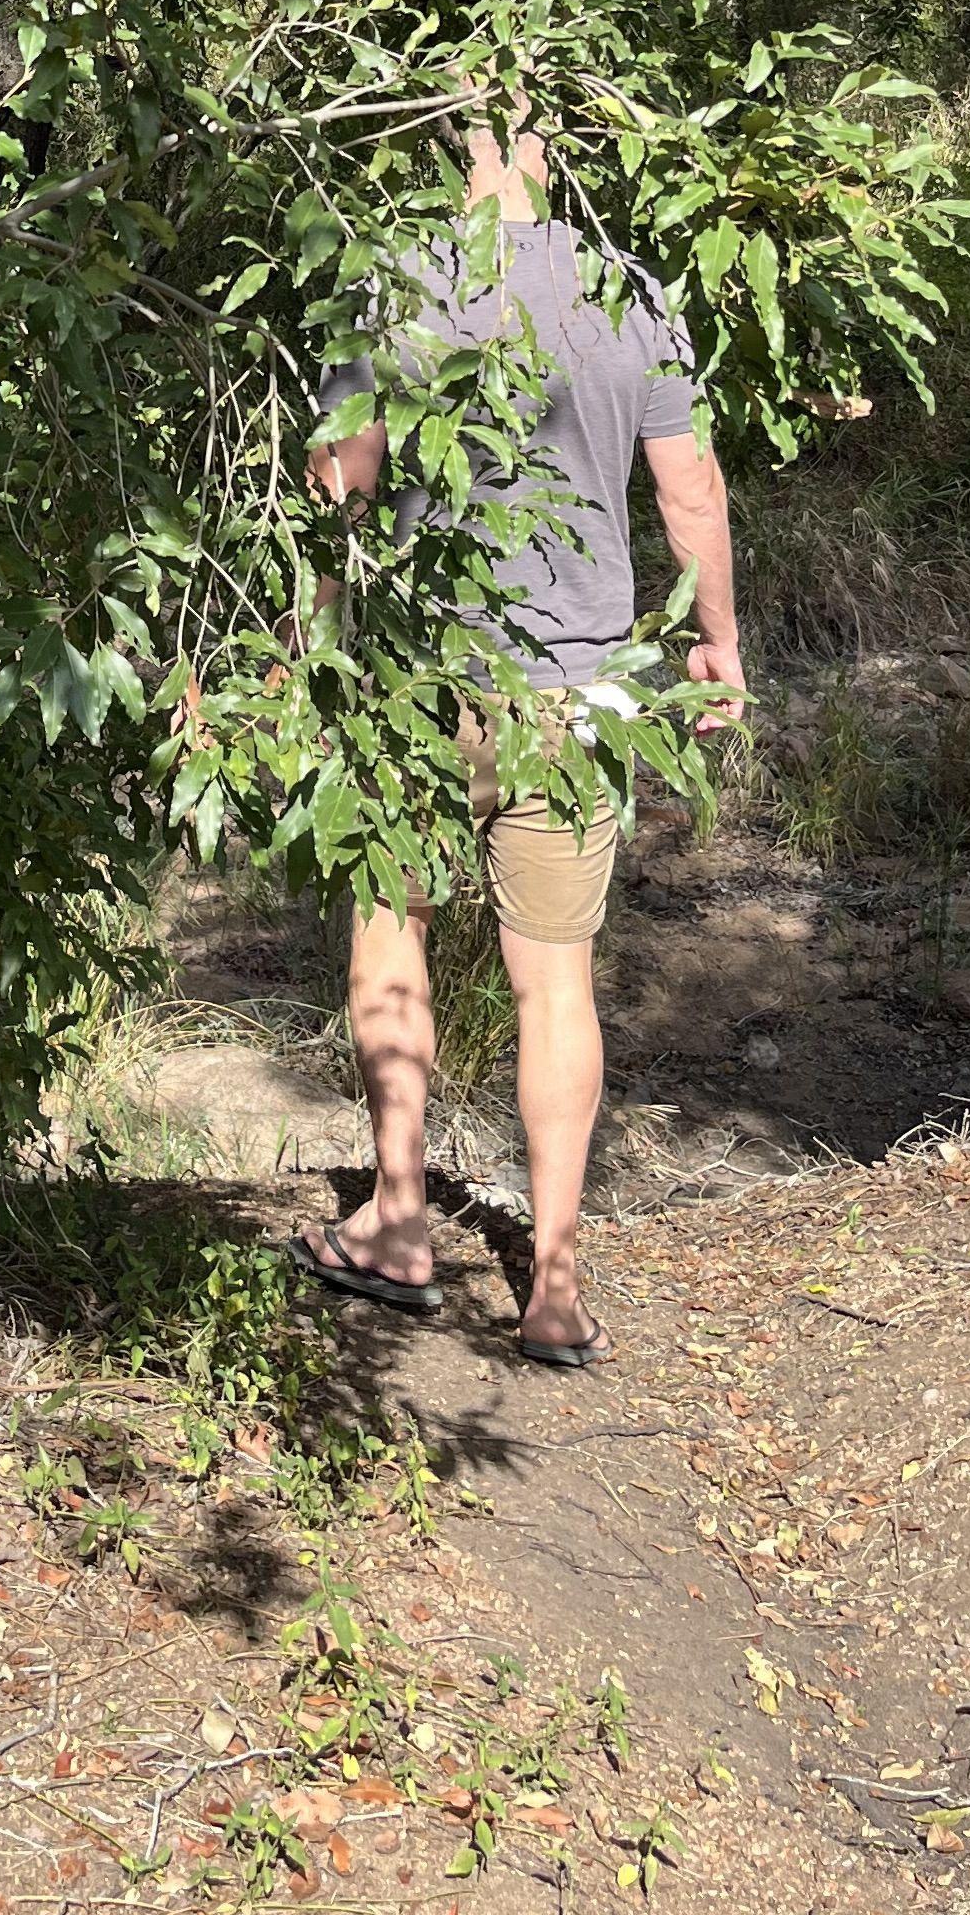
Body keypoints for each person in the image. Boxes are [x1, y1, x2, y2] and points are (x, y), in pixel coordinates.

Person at [289, 116, 743, 1366]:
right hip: (582, 695)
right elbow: (689, 490)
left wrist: (311, 653)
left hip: (421, 681)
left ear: (452, 143)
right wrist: (718, 644)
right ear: (559, 149)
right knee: (557, 981)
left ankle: (395, 1221)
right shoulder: (630, 289)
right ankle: (552, 1286)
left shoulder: (397, 283)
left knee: (394, 929)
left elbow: (345, 486)